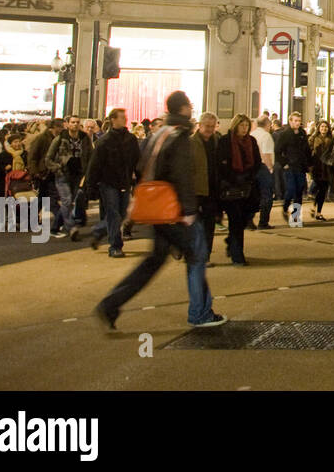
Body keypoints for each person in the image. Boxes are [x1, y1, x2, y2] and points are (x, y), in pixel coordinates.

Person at [94, 91, 226, 330]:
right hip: (174, 209)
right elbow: (182, 175)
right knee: (196, 256)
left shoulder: (160, 133)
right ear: (184, 109)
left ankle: (111, 303)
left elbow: (143, 165)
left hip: (158, 208)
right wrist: (188, 211)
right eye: (190, 105)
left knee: (154, 261)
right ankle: (201, 313)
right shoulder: (180, 136)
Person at [75, 108, 139, 257]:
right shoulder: (104, 141)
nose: (125, 119)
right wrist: (90, 186)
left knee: (122, 214)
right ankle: (115, 246)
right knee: (113, 214)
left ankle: (98, 231)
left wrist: (138, 178)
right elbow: (95, 165)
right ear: (113, 120)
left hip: (124, 181)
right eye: (122, 117)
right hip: (108, 183)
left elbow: (136, 160)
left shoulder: (131, 139)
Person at [215, 115, 259, 265]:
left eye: (247, 125)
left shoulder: (251, 142)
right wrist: (234, 178)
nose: (244, 128)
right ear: (235, 126)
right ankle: (237, 255)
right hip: (231, 186)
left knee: (244, 218)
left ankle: (231, 242)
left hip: (247, 186)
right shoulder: (226, 141)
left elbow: (257, 162)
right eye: (242, 125)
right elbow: (221, 165)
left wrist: (249, 176)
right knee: (235, 220)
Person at [189, 112, 220, 260]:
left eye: (212, 126)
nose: (210, 129)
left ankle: (205, 255)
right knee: (194, 225)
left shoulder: (217, 141)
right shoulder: (190, 143)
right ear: (199, 126)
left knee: (209, 224)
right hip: (196, 190)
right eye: (207, 126)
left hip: (212, 189)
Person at [274, 112, 311, 227]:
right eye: (294, 121)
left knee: (299, 190)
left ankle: (295, 218)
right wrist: (284, 163)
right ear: (290, 121)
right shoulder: (285, 134)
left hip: (300, 166)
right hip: (289, 166)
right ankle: (285, 207)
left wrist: (309, 163)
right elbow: (277, 150)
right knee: (291, 189)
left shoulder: (302, 133)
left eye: (298, 121)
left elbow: (306, 150)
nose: (296, 123)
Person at [251, 115, 276, 229]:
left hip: (252, 167)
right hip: (263, 167)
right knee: (267, 195)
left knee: (253, 195)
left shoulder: (252, 134)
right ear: (267, 124)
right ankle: (263, 221)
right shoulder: (266, 136)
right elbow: (266, 154)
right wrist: (270, 168)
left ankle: (249, 220)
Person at [308, 121, 334, 221]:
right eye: (322, 126)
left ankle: (318, 211)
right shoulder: (313, 139)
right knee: (318, 187)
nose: (324, 129)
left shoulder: (331, 139)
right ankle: (314, 207)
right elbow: (309, 152)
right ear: (318, 128)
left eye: (326, 127)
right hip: (317, 167)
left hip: (327, 168)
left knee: (323, 191)